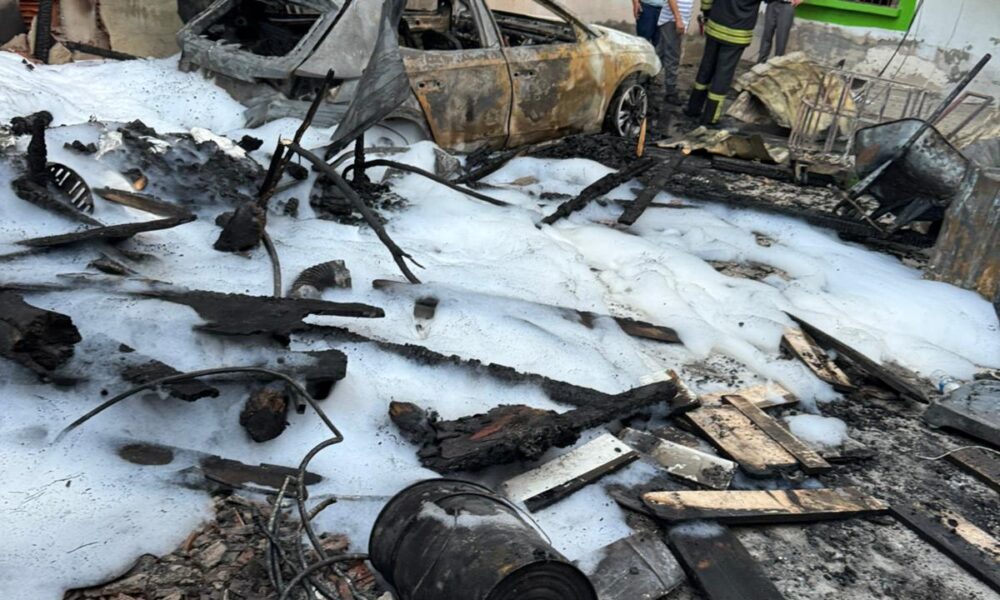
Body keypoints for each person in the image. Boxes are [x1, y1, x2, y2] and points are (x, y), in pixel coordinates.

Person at [685, 0, 771, 125]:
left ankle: (693, 108)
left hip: (715, 25)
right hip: (738, 34)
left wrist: (707, 12)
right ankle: (710, 117)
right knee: (723, 75)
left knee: (706, 68)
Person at [657, 0, 694, 105]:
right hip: (672, 20)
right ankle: (671, 92)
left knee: (660, 54)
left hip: (674, 20)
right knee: (672, 57)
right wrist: (678, 19)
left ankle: (643, 79)